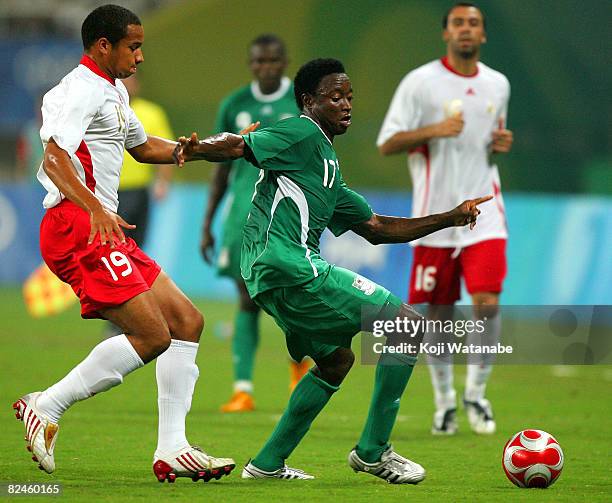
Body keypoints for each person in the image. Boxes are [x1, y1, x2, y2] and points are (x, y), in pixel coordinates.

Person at [177, 58, 491, 482]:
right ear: (309, 101)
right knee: (406, 326)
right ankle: (373, 452)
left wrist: (450, 217)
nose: (346, 105)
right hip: (288, 264)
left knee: (337, 362)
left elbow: (378, 229)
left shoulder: (327, 166)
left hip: (273, 274)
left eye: (349, 97)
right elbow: (239, 144)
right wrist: (196, 149)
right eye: (335, 97)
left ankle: (267, 464)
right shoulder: (301, 131)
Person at [12, 4, 235, 483]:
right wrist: (94, 207)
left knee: (186, 321)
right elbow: (54, 159)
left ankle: (173, 448)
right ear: (103, 45)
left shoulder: (112, 92)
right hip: (78, 225)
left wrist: (185, 151)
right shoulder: (76, 91)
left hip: (102, 226)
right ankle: (45, 406)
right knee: (153, 335)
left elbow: (141, 146)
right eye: (133, 46)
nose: (140, 56)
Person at [377, 2, 513, 435]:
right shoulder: (420, 83)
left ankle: (476, 393)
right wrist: (433, 130)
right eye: (458, 23)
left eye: (474, 23)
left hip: (484, 211)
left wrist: (500, 144)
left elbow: (488, 145)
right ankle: (445, 403)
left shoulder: (498, 85)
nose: (466, 30)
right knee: (437, 315)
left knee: (487, 301)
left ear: (484, 35)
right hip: (436, 217)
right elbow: (387, 142)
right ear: (446, 33)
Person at [200, 34, 307, 413]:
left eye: (273, 61)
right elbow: (219, 168)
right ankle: (243, 390)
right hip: (242, 216)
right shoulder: (234, 105)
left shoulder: (301, 100)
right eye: (258, 62)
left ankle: (299, 374)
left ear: (284, 62)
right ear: (252, 64)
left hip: (289, 216)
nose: (265, 68)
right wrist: (207, 222)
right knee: (246, 299)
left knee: (291, 298)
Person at [104, 73, 173, 338]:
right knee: (116, 254)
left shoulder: (151, 113)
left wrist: (163, 182)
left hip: (139, 192)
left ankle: (131, 314)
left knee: (135, 251)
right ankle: (116, 315)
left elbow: (165, 145)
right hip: (112, 194)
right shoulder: (106, 109)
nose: (128, 84)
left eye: (132, 80)